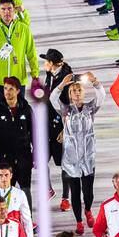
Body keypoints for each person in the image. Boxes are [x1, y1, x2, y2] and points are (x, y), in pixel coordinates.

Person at [51, 73, 107, 234]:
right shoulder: (65, 110)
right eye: (73, 90)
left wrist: (94, 80)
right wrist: (62, 84)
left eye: (79, 90)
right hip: (71, 159)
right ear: (69, 94)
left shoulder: (90, 108)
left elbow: (102, 95)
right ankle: (79, 221)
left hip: (88, 157)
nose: (76, 93)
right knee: (75, 192)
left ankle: (88, 210)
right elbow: (53, 99)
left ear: (84, 93)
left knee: (88, 191)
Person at [0, 0, 37, 110]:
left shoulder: (24, 29)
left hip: (18, 80)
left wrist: (35, 75)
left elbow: (31, 53)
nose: (6, 12)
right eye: (3, 9)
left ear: (14, 10)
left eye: (9, 9)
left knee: (18, 113)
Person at [0, 78, 34, 193]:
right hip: (4, 158)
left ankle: (26, 212)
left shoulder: (26, 109)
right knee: (2, 191)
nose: (7, 92)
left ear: (18, 91)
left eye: (11, 89)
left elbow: (34, 132)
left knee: (25, 190)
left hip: (23, 156)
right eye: (5, 88)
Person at [40, 49, 73, 209]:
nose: (44, 63)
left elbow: (70, 106)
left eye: (46, 61)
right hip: (47, 124)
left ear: (53, 64)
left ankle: (66, 197)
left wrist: (65, 129)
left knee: (64, 163)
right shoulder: (49, 74)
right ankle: (48, 189)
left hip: (60, 126)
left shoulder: (67, 79)